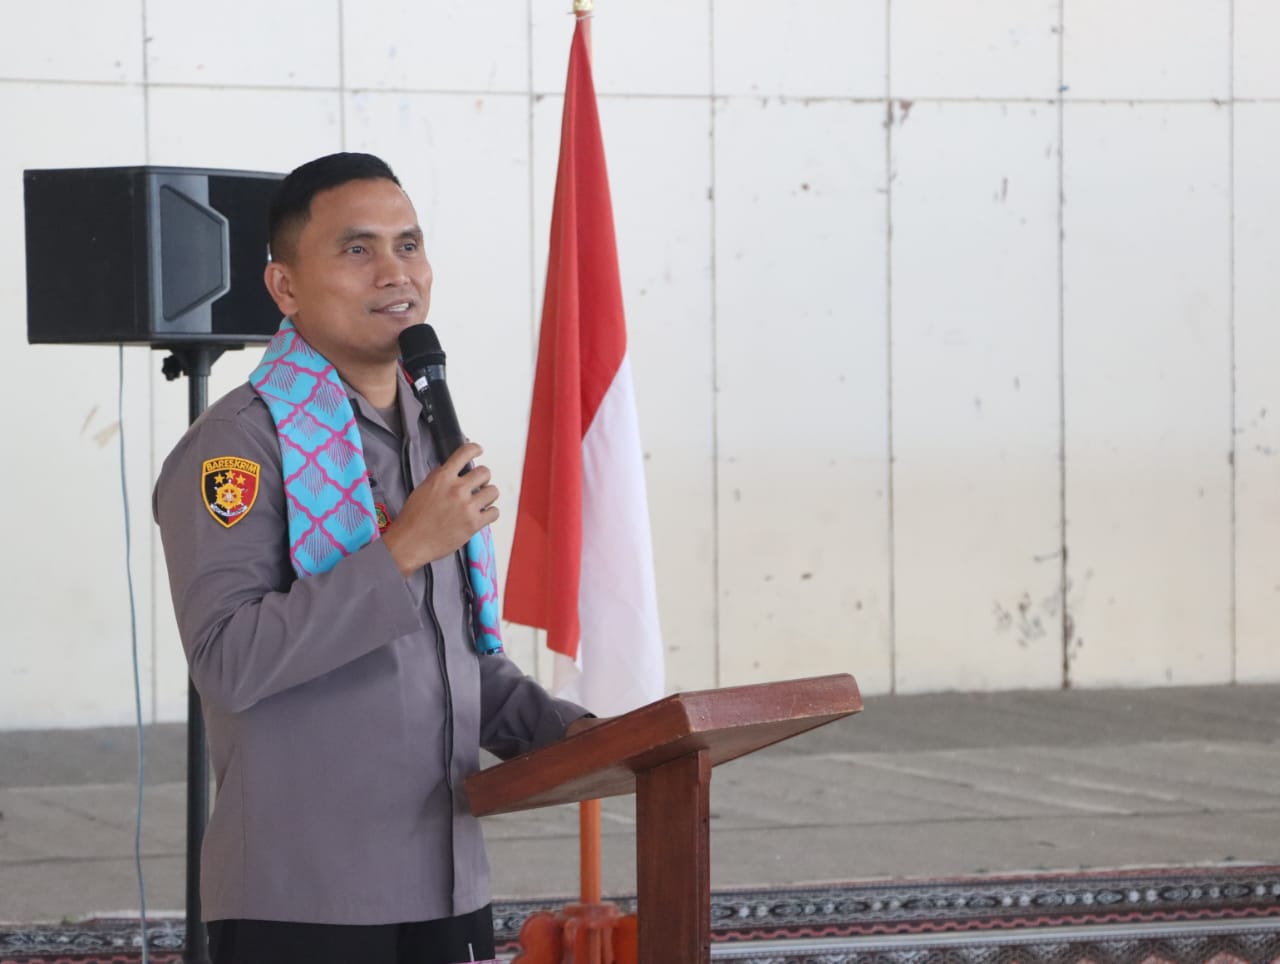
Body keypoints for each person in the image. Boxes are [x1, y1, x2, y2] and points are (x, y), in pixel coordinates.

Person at [153, 152, 593, 964]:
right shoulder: (239, 446)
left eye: (409, 244)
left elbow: (451, 658)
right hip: (308, 898)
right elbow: (228, 660)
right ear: (284, 286)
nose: (396, 272)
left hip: (447, 885)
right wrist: (402, 550)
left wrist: (590, 739)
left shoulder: (430, 435)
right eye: (358, 249)